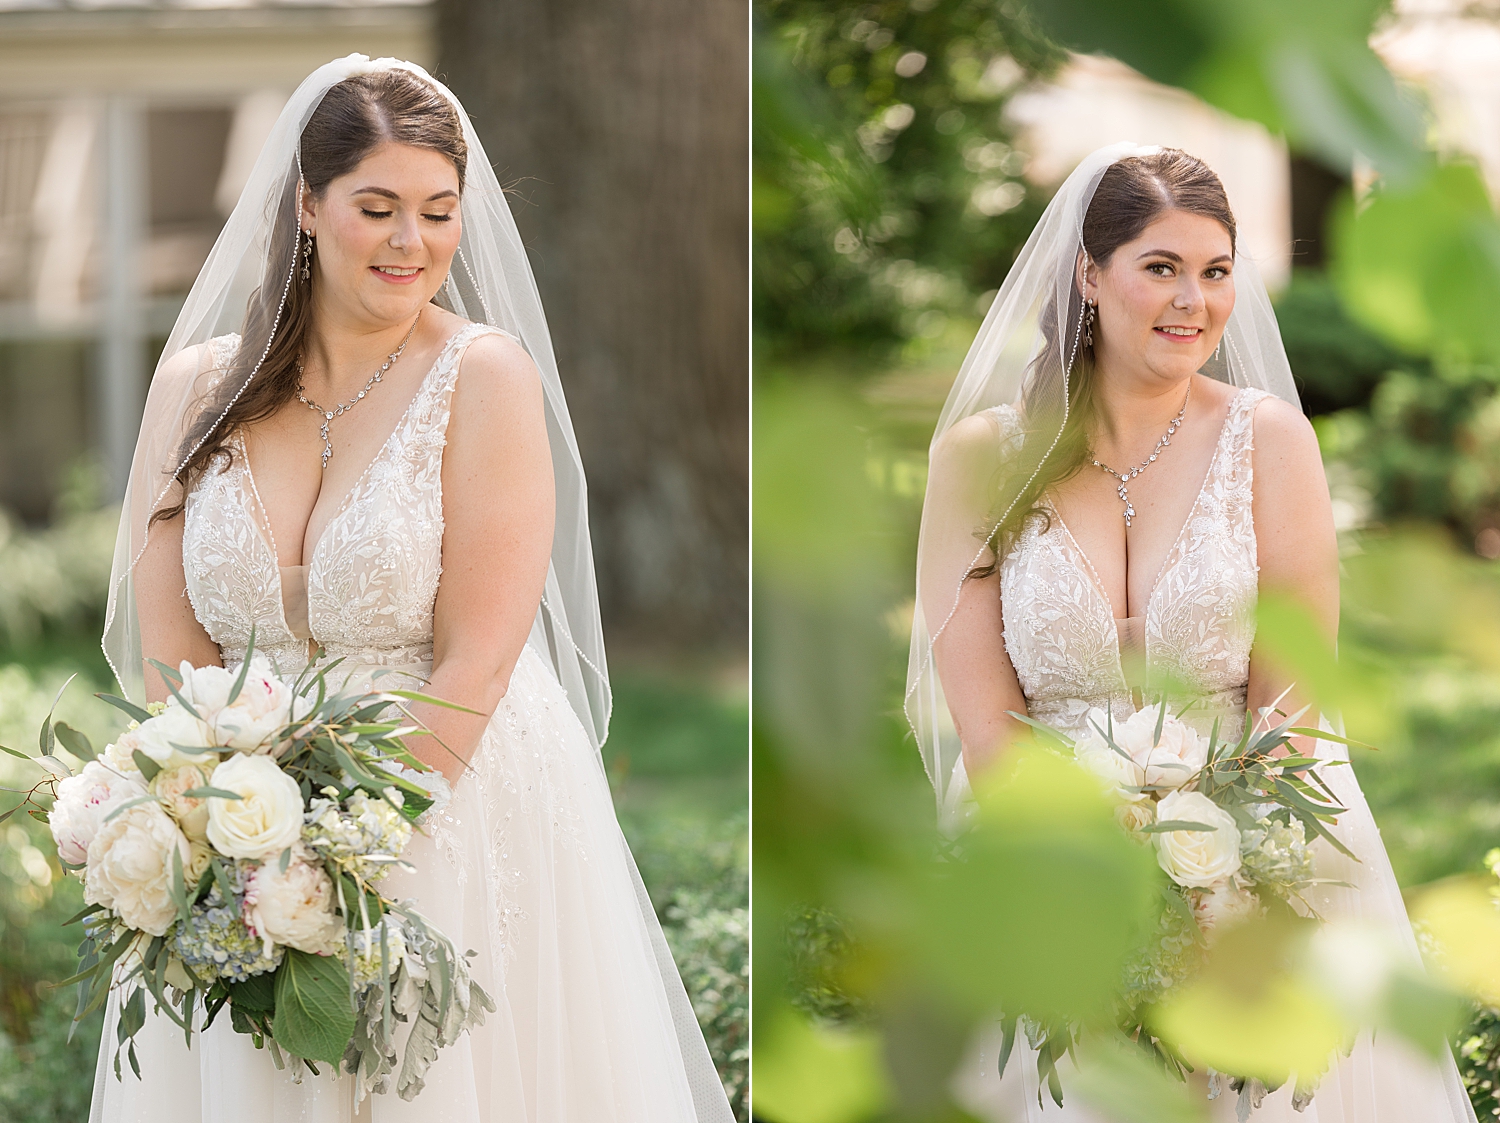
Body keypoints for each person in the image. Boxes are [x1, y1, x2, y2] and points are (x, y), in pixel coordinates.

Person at [93, 55, 734, 1123]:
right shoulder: (196, 386)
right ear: (306, 204)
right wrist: (220, 830)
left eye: (439, 212)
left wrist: (346, 843)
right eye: (377, 208)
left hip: (445, 794)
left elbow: (478, 656)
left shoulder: (482, 377)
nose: (412, 243)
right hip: (233, 809)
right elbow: (171, 650)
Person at [905, 143, 1477, 1121]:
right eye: (1160, 268)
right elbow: (988, 722)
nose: (1195, 302)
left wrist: (1223, 882)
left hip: (1258, 829)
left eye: (1216, 271)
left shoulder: (1269, 441)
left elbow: (1293, 697)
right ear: (1089, 275)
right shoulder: (979, 460)